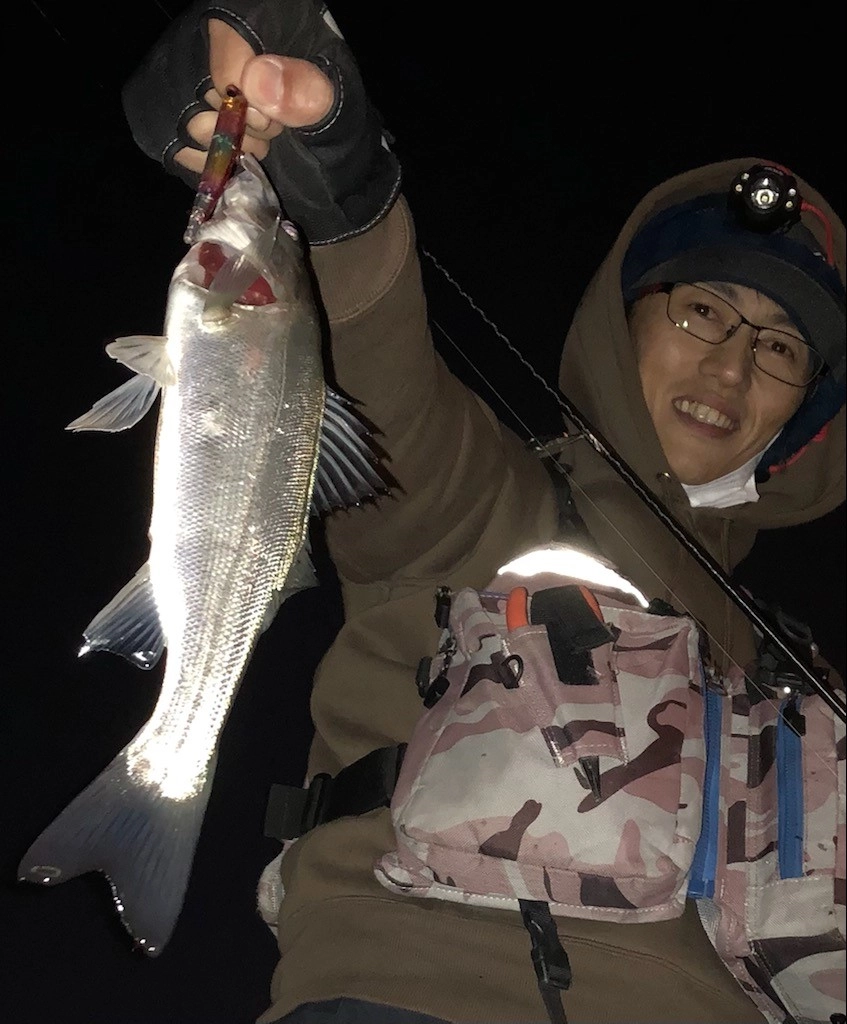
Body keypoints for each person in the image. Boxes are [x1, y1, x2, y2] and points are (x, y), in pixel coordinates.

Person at [122, 3, 846, 1022]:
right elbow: (380, 372)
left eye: (777, 348)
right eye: (701, 311)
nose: (730, 366)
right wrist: (336, 173)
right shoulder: (480, 492)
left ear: (802, 415)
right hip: (415, 992)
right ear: (620, 327)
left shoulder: (798, 670)